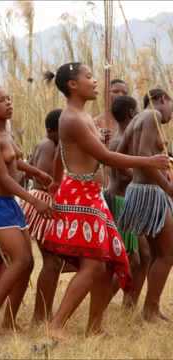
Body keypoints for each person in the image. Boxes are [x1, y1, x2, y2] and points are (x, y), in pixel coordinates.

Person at [42, 63, 168, 340]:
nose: (95, 81)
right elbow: (108, 158)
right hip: (81, 195)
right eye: (88, 77)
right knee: (94, 265)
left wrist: (55, 180)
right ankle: (56, 325)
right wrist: (148, 160)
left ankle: (94, 327)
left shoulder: (82, 117)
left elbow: (68, 155)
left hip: (88, 194)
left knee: (107, 263)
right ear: (73, 85)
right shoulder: (73, 118)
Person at [0, 85, 53, 332]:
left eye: (9, 98)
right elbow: (4, 178)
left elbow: (16, 162)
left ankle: (9, 320)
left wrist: (37, 172)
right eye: (1, 100)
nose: (8, 103)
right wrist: (33, 200)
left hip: (10, 204)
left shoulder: (6, 133)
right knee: (20, 259)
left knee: (27, 262)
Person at [118, 88, 173, 322]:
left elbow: (119, 157)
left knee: (157, 254)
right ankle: (150, 310)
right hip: (151, 193)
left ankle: (151, 308)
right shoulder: (152, 116)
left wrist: (137, 180)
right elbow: (143, 155)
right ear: (162, 99)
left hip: (140, 190)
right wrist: (167, 187)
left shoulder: (136, 120)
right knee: (168, 254)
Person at [104, 95, 149, 309]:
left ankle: (129, 306)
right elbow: (122, 173)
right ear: (132, 113)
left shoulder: (124, 137)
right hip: (119, 202)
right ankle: (102, 304)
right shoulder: (120, 140)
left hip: (126, 201)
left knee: (142, 257)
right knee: (129, 260)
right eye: (138, 109)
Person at [20, 108, 64, 324]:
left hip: (43, 201)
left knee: (54, 262)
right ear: (51, 130)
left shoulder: (49, 144)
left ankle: (43, 313)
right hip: (44, 203)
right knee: (51, 262)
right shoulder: (48, 145)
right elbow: (48, 179)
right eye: (62, 130)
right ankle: (40, 316)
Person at [94, 79, 128, 144]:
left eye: (124, 93)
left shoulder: (131, 122)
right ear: (106, 94)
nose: (120, 95)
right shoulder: (96, 123)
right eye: (115, 91)